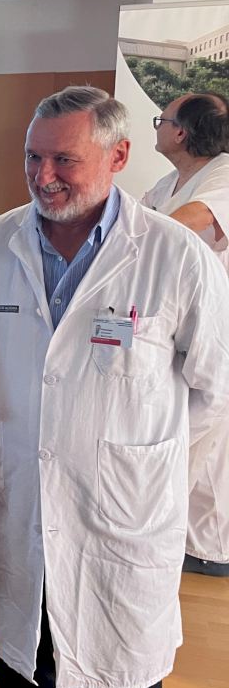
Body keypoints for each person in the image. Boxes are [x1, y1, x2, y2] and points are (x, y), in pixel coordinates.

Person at [0, 86, 229, 688]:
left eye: (65, 160)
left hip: (126, 519)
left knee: (128, 680)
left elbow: (216, 388)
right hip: (22, 510)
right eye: (33, 158)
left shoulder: (174, 254)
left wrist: (147, 470)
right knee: (25, 671)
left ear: (119, 156)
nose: (43, 176)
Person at [142, 91, 229, 577]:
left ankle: (206, 549)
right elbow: (137, 218)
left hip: (216, 329)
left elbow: (195, 219)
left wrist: (130, 247)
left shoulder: (224, 175)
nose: (157, 127)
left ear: (180, 132)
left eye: (161, 120)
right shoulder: (170, 180)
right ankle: (189, 542)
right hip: (179, 324)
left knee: (206, 440)